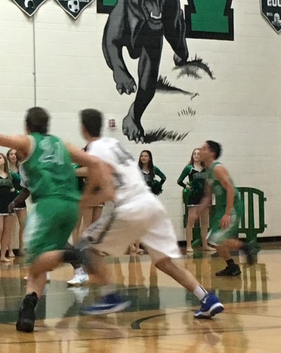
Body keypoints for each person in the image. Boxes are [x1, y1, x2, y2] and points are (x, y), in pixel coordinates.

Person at [53, 109, 224, 319]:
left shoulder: (95, 149)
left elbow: (106, 190)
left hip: (131, 207)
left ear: (83, 129)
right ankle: (207, 298)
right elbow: (98, 170)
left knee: (85, 246)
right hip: (152, 205)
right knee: (163, 262)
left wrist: (79, 202)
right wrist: (74, 173)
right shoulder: (112, 144)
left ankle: (110, 296)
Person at [0, 106, 105, 332]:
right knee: (37, 269)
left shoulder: (27, 142)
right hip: (70, 208)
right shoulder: (64, 144)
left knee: (34, 260)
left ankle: (74, 254)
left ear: (27, 125)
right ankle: (28, 310)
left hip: (48, 206)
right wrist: (87, 196)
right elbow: (95, 163)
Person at [198, 141, 256, 276]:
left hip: (232, 206)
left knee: (218, 239)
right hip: (221, 208)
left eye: (203, 148)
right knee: (213, 239)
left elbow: (230, 189)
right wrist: (197, 212)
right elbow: (208, 196)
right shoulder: (208, 171)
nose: (200, 151)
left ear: (212, 153)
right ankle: (232, 266)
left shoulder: (218, 168)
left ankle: (246, 247)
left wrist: (228, 213)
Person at [177, 148, 213, 253]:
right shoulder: (189, 168)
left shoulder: (206, 168)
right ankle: (189, 245)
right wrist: (186, 187)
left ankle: (205, 244)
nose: (196, 156)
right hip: (194, 197)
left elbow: (210, 181)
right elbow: (179, 180)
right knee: (191, 221)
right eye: (194, 154)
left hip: (204, 197)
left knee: (205, 222)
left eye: (198, 154)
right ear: (192, 156)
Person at [7, 148, 26, 257]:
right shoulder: (6, 170)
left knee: (23, 225)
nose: (13, 156)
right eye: (11, 154)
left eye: (15, 154)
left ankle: (21, 248)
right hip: (10, 199)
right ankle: (9, 250)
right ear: (8, 156)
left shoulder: (22, 169)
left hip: (21, 198)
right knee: (9, 226)